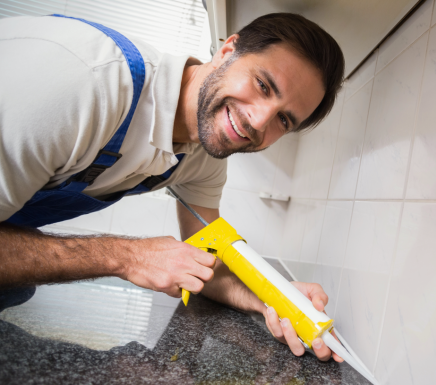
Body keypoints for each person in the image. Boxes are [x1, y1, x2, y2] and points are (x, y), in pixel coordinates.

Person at [0, 12, 345, 361]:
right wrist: (128, 256)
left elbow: (205, 260)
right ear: (228, 51)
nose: (258, 120)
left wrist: (274, 297)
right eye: (263, 85)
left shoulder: (205, 157)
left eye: (283, 119)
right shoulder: (87, 84)